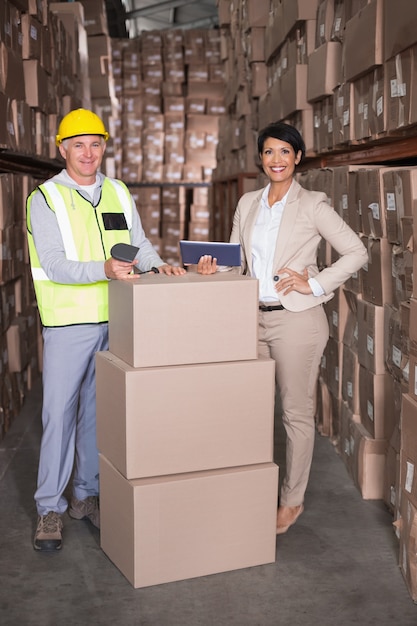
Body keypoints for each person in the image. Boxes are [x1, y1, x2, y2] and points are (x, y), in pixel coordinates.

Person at [26, 108, 186, 552]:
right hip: (69, 323)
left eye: (96, 143)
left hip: (117, 318)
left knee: (98, 413)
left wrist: (158, 265)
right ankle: (48, 509)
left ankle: (84, 495)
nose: (88, 152)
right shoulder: (46, 198)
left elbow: (138, 242)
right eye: (78, 144)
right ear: (62, 149)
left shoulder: (117, 191)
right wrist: (105, 269)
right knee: (59, 414)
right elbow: (55, 264)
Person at [197, 121, 368, 535]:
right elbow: (237, 263)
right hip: (250, 318)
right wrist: (212, 267)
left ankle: (292, 501)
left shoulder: (313, 205)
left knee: (295, 413)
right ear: (261, 158)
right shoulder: (248, 203)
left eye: (285, 152)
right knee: (245, 407)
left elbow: (357, 252)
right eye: (269, 152)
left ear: (297, 157)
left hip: (296, 321)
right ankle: (247, 488)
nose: (277, 160)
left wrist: (314, 282)